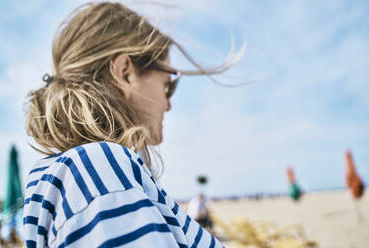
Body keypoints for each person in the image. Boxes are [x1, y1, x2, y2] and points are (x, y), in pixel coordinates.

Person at [24, 2, 240, 247]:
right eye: (168, 85)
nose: (168, 104)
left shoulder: (76, 175)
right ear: (125, 72)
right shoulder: (95, 169)